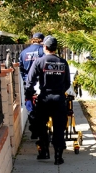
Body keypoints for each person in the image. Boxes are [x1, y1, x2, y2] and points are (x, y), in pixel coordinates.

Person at [25, 36, 71, 165]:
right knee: (59, 127)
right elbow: (67, 82)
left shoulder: (39, 61)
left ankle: (44, 151)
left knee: (41, 126)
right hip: (59, 98)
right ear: (55, 48)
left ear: (44, 47)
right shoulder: (63, 63)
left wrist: (29, 94)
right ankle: (58, 156)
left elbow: (30, 81)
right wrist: (60, 91)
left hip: (44, 98)